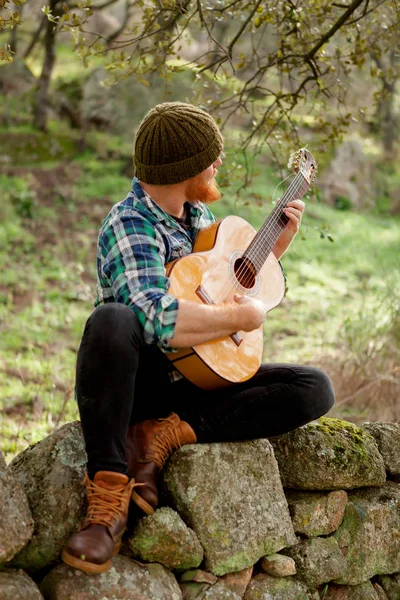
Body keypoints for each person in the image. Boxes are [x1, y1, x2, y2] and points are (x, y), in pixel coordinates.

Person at [62, 102, 335, 574]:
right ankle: (108, 495)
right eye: (212, 157)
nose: (218, 164)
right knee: (112, 318)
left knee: (313, 388)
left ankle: (167, 434)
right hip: (140, 380)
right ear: (186, 167)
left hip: (195, 377)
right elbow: (150, 315)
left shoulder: (199, 217)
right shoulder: (130, 223)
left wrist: (273, 251)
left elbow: (218, 288)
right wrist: (238, 320)